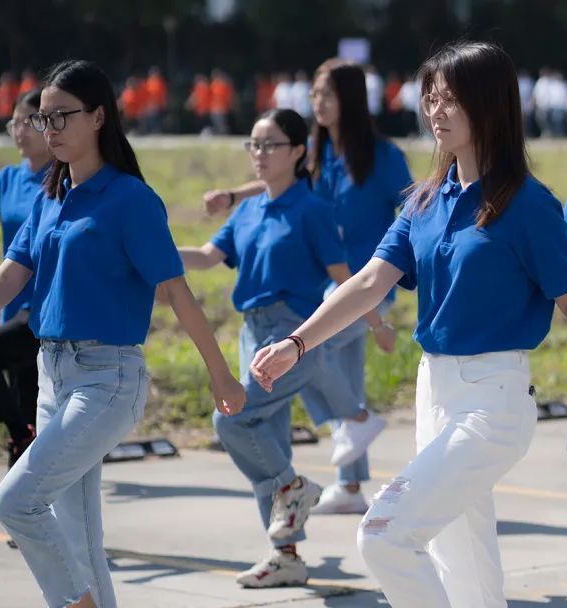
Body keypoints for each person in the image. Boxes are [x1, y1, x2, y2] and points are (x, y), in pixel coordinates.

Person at [249, 41, 567, 608]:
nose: (436, 112)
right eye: (431, 98)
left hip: (493, 400)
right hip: (432, 391)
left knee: (385, 534)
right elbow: (367, 284)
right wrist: (296, 343)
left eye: (451, 100)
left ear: (488, 106)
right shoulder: (424, 201)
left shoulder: (529, 204)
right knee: (462, 560)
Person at [0, 59, 245, 608]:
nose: (49, 129)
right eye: (43, 120)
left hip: (107, 382)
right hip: (52, 376)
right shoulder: (49, 196)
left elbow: (177, 292)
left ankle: (73, 603)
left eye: (61, 117)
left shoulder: (131, 200)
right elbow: (9, 276)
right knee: (80, 539)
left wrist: (220, 373)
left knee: (17, 503)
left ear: (99, 116)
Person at [182, 107, 384, 587]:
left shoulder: (311, 210)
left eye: (270, 144)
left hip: (293, 336)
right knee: (263, 445)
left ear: (298, 152)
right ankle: (286, 555)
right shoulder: (249, 209)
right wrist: (151, 253)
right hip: (250, 334)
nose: (259, 154)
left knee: (230, 416)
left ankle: (294, 488)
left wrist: (377, 324)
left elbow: (346, 278)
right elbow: (208, 258)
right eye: (253, 144)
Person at [205, 59, 408, 516]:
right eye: (314, 94)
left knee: (309, 350)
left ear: (350, 100)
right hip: (324, 288)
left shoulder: (382, 156)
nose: (317, 102)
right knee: (343, 372)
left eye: (327, 94)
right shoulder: (315, 154)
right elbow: (274, 179)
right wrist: (233, 197)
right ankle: (352, 484)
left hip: (367, 286)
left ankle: (357, 422)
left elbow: (416, 204)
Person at [0, 89, 48, 484]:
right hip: (12, 306)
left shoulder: (63, 178)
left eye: (29, 121)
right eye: (14, 122)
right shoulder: (7, 179)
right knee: (25, 408)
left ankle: (22, 437)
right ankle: (23, 516)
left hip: (43, 312)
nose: (20, 130)